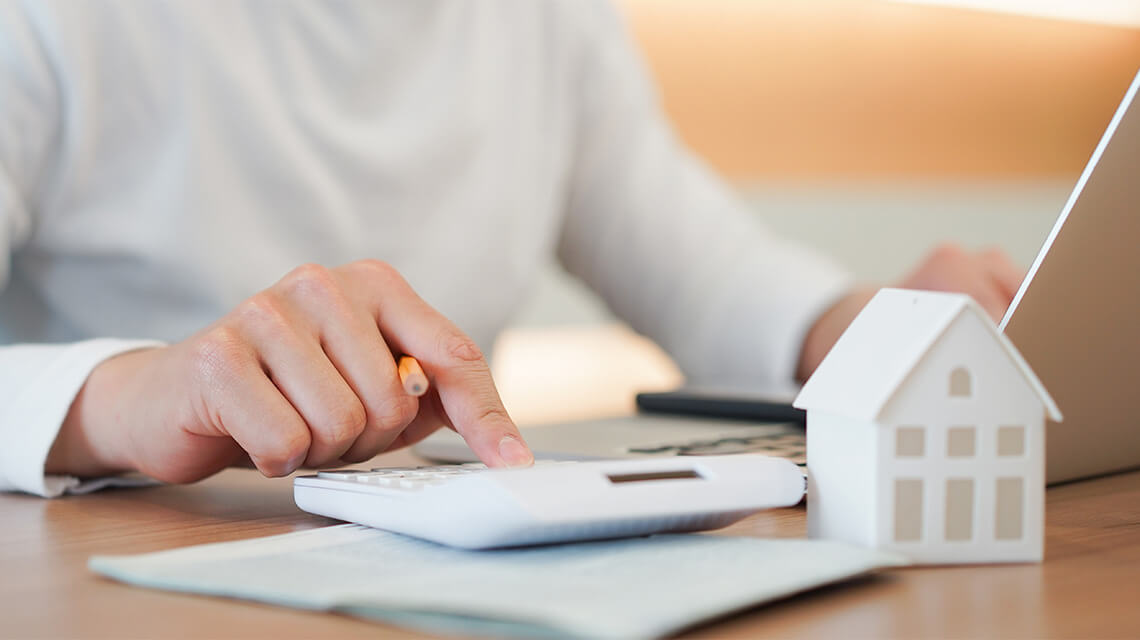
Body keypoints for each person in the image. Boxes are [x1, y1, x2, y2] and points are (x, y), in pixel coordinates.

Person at [0, 1, 1022, 497]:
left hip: (433, 561)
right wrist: (125, 397)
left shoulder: (543, 18)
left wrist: (887, 331)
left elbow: (707, 271)